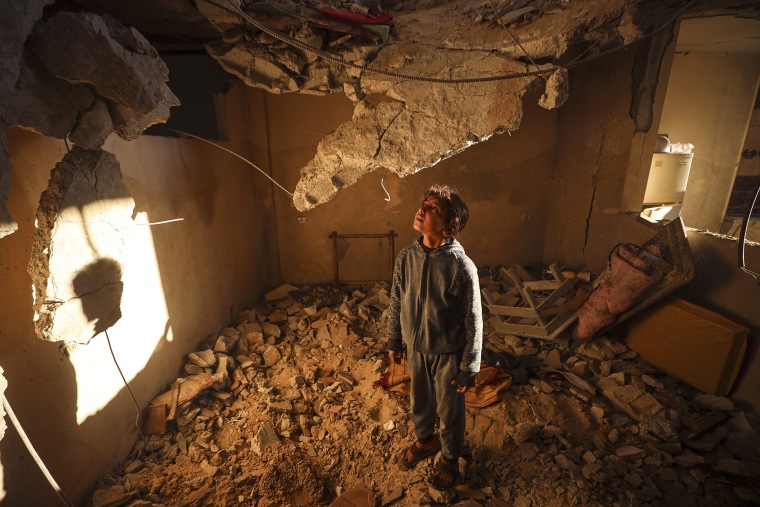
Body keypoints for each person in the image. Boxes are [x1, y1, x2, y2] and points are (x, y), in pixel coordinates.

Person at [386, 184, 483, 489]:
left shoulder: (461, 267)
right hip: (416, 350)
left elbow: (473, 320)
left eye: (433, 210)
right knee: (420, 401)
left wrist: (469, 367)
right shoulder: (406, 257)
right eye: (423, 204)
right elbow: (396, 300)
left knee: (449, 410)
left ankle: (450, 459)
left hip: (447, 354)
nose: (422, 210)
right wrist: (394, 340)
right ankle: (426, 440)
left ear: (449, 227)